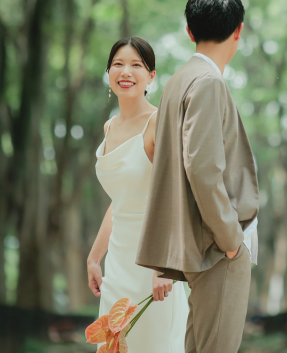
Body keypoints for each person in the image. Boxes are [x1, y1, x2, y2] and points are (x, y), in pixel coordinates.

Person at [136, 0, 259, 353]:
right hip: (216, 248)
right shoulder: (208, 82)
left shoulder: (177, 81)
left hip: (198, 244)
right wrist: (230, 241)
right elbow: (203, 169)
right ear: (238, 30)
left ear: (189, 31)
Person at [87, 37, 189, 352]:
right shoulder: (109, 127)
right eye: (118, 63)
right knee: (117, 345)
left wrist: (164, 266)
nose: (125, 71)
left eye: (136, 65)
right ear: (108, 72)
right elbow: (121, 200)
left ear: (151, 76)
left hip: (152, 261)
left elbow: (175, 194)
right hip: (118, 263)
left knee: (154, 344)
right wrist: (94, 257)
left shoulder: (159, 122)